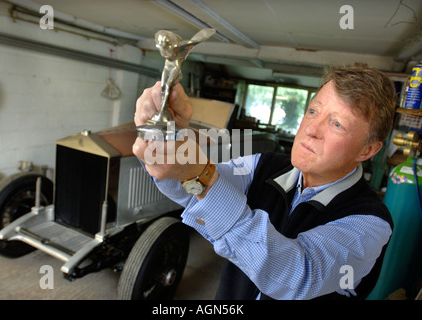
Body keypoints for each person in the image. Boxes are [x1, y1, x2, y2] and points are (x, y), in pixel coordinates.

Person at [132, 65, 397, 300]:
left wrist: (199, 174)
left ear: (367, 150)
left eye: (337, 124)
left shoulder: (370, 222)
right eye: (313, 110)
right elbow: (193, 193)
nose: (311, 129)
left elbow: (297, 276)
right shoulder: (265, 166)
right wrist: (167, 134)